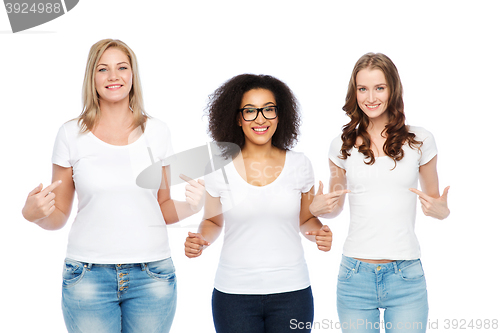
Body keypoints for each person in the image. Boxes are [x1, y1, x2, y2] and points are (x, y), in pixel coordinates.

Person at [21, 39, 205, 333]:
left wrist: (192, 206)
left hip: (152, 275)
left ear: (133, 75)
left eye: (122, 67)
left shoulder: (158, 132)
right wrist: (33, 214)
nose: (113, 76)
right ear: (92, 78)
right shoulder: (70, 134)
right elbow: (58, 216)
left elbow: (163, 208)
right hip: (87, 277)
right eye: (103, 69)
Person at [184, 74, 344, 333]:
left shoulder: (299, 164)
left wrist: (318, 234)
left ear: (280, 115)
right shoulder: (218, 167)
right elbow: (212, 221)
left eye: (269, 109)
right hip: (233, 295)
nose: (261, 118)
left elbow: (305, 220)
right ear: (237, 118)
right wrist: (201, 239)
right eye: (250, 111)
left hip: (292, 293)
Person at [310, 53, 450, 333]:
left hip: (406, 276)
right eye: (362, 89)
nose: (370, 97)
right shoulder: (342, 143)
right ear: (355, 92)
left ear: (392, 90)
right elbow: (335, 206)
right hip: (355, 276)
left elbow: (435, 203)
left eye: (379, 88)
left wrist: (441, 211)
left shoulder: (421, 140)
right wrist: (317, 207)